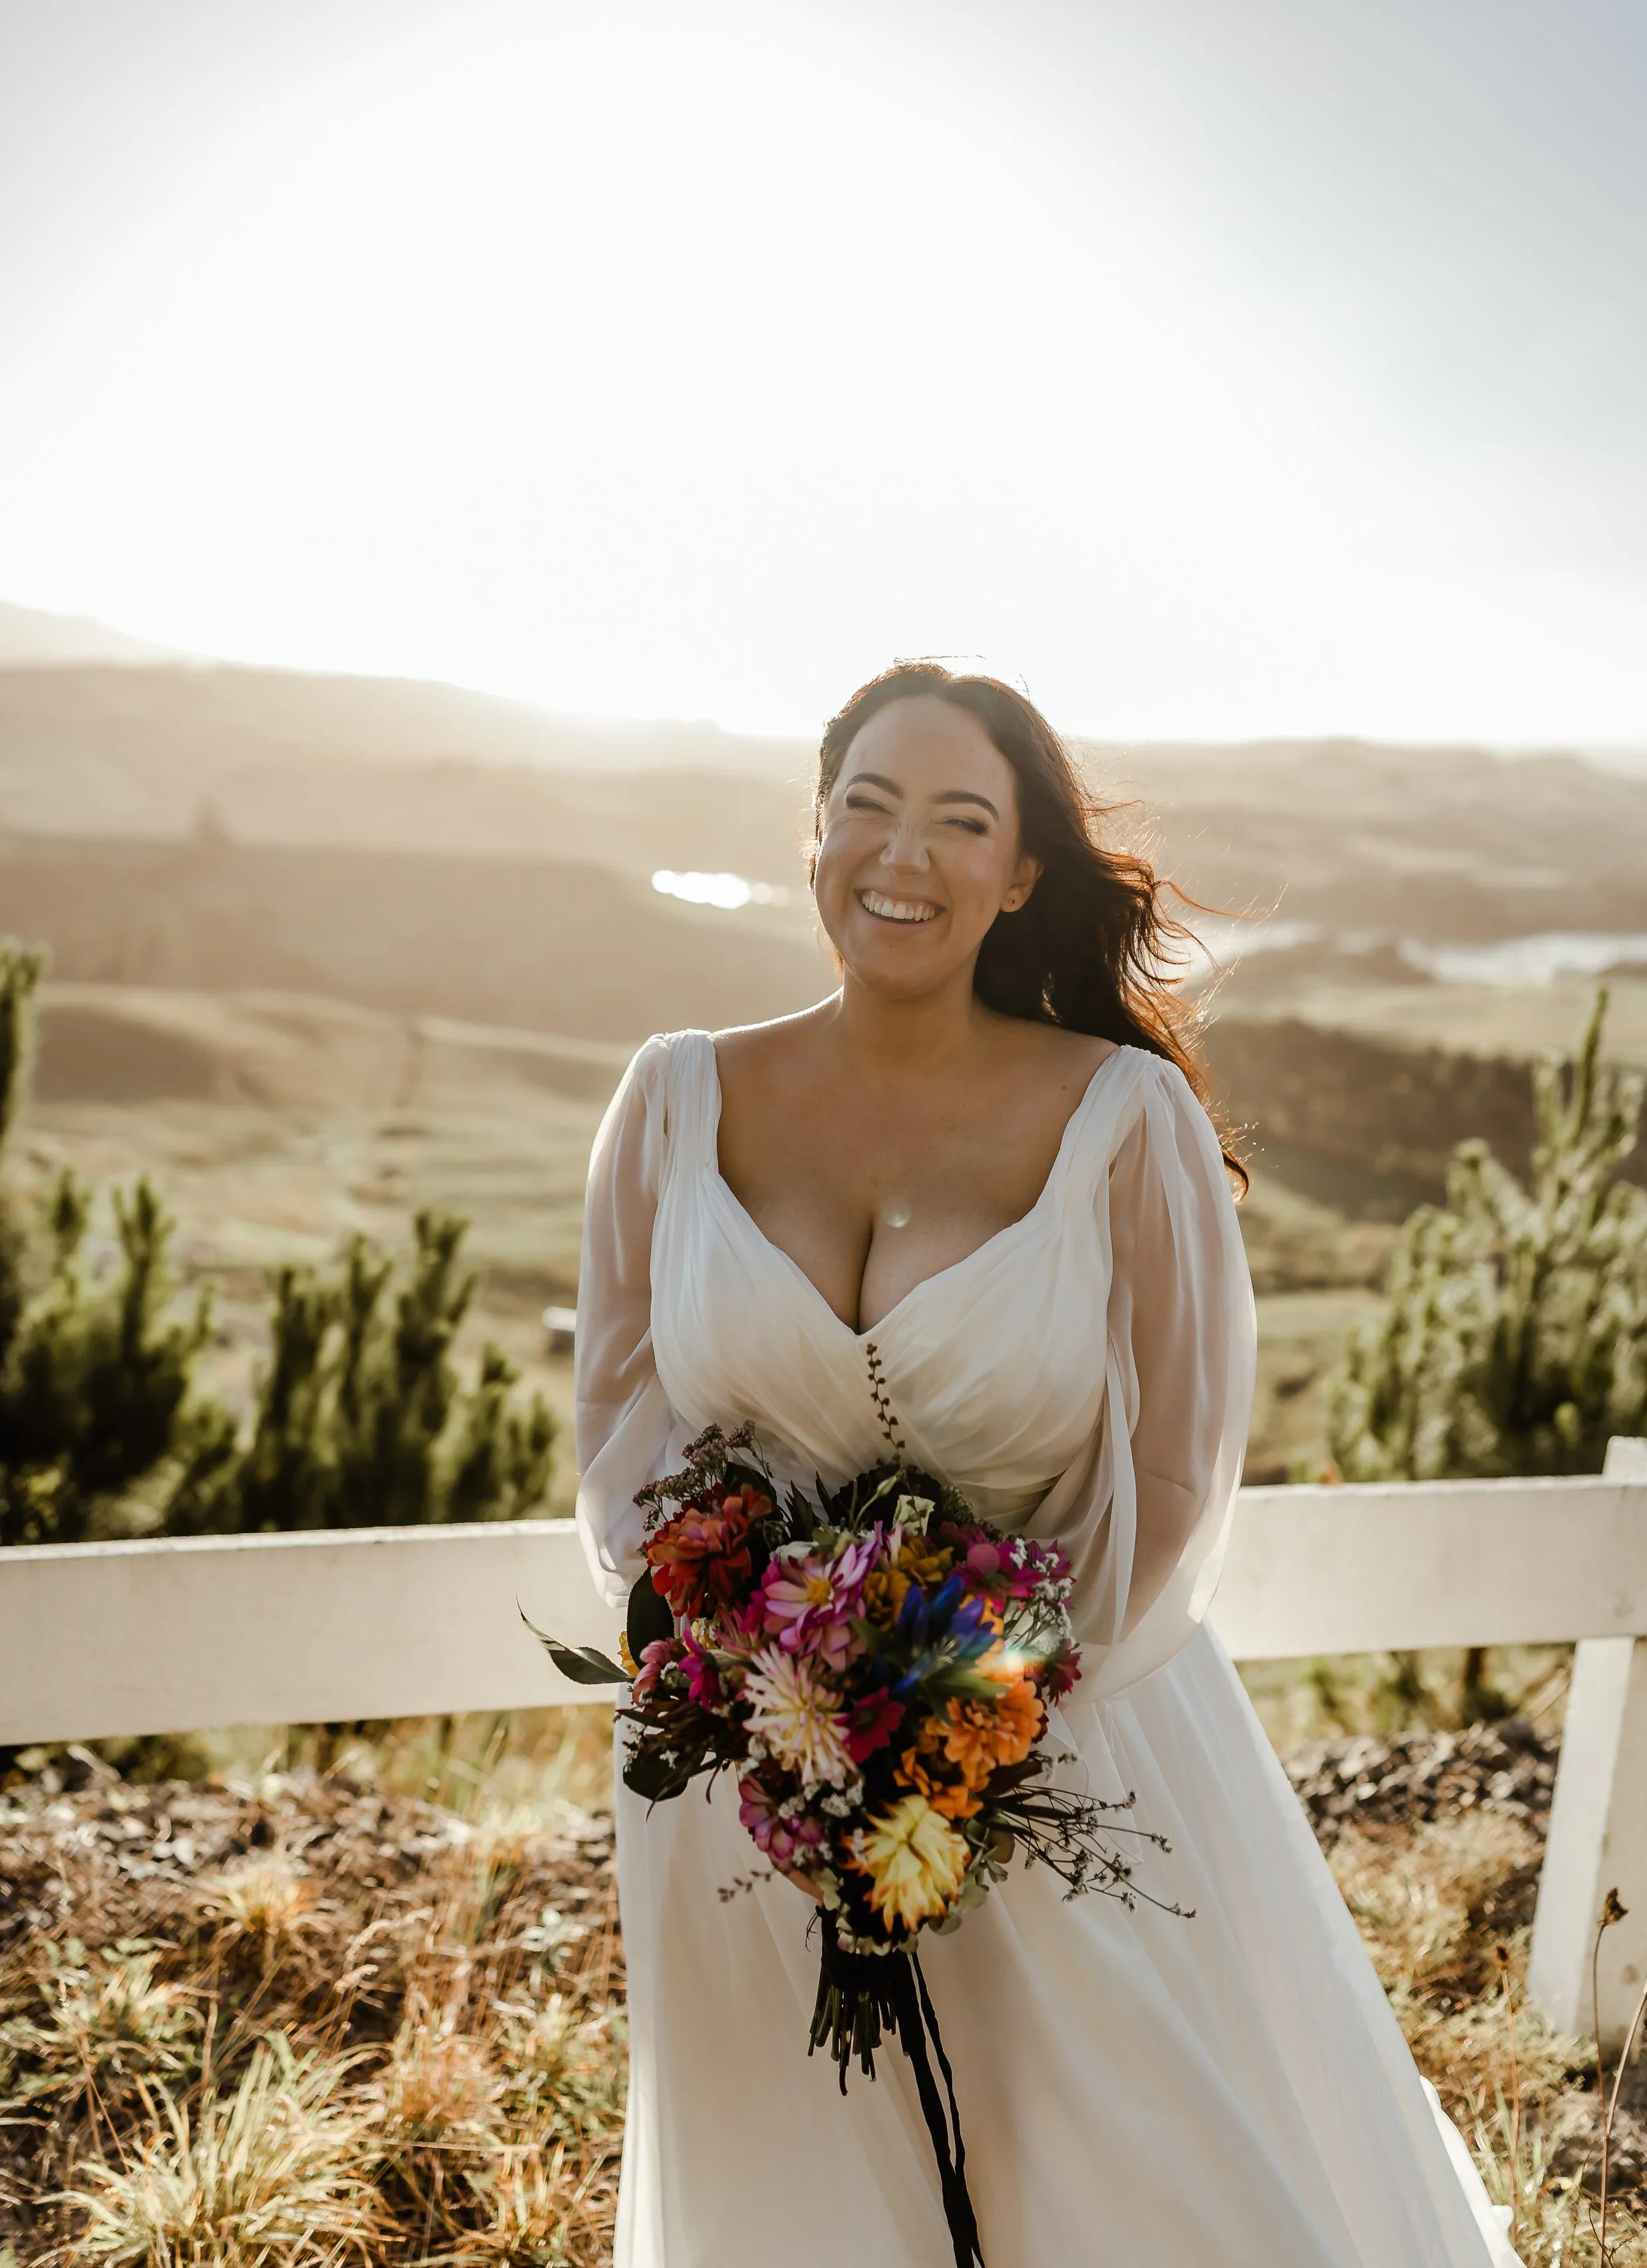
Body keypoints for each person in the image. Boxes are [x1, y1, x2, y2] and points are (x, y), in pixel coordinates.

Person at [575, 661, 1519, 2267]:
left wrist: (978, 1717)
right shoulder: (672, 1102)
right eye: (865, 805)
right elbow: (620, 1439)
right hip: (750, 1785)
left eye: (959, 820)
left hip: (1074, 1761)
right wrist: (755, 1681)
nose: (902, 853)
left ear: (1017, 875)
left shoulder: (1123, 1120)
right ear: (813, 831)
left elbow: (1173, 1474)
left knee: (1137, 2197)